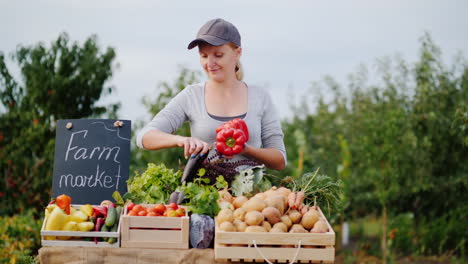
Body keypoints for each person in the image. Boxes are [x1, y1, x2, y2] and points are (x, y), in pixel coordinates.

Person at [136, 18, 286, 171]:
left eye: (218, 55)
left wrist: (246, 150)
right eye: (204, 56)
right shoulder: (192, 96)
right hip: (203, 193)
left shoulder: (260, 97)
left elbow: (279, 160)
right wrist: (181, 140)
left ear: (237, 53)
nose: (210, 63)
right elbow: (144, 137)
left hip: (252, 195)